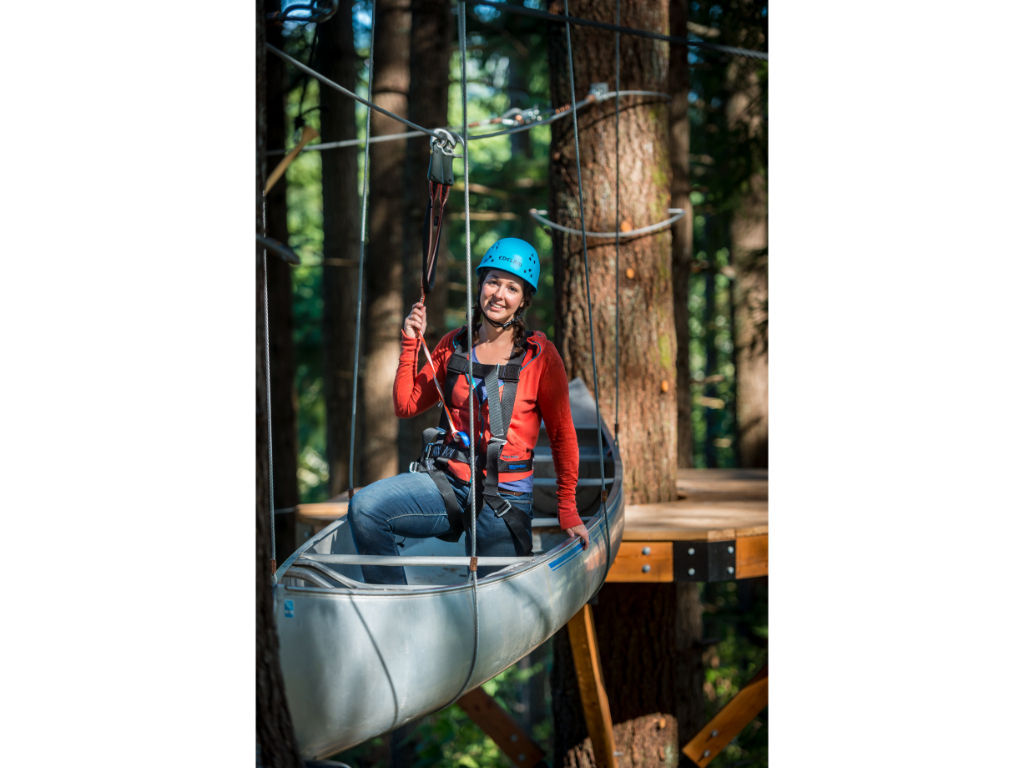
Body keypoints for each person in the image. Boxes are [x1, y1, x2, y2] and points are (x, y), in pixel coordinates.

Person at [348, 237, 588, 585]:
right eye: (493, 281)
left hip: (505, 495)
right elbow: (406, 404)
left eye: (512, 288)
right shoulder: (455, 345)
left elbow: (564, 436)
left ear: (523, 301)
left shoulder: (540, 357)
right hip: (450, 485)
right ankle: (395, 606)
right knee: (366, 508)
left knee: (494, 595)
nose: (499, 294)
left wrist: (567, 508)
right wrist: (411, 342)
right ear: (481, 284)